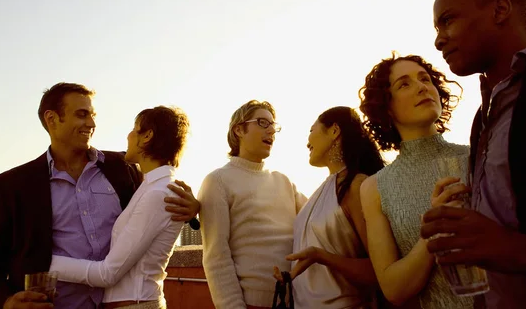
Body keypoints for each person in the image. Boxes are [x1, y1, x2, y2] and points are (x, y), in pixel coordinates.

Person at [0, 83, 200, 309]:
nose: (92, 123)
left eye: (93, 115)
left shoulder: (122, 168)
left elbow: (155, 207)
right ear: (51, 119)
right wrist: (6, 302)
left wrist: (194, 210)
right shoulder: (12, 185)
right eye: (82, 115)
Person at [421, 0, 526, 309]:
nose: (438, 40)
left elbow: (508, 246)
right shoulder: (482, 117)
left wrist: (516, 249)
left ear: (500, 10)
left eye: (447, 21)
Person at [358, 54, 473, 309]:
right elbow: (393, 288)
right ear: (385, 106)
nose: (422, 86)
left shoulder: (476, 155)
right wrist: (432, 235)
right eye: (404, 84)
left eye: (425, 79)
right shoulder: (375, 187)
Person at [49, 105, 189, 309]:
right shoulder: (151, 186)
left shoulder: (158, 194)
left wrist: (45, 261)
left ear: (147, 136)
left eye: (135, 129)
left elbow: (108, 273)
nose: (129, 136)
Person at [198, 100, 308, 309]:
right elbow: (216, 257)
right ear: (239, 129)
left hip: (297, 300)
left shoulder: (284, 181)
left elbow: (319, 220)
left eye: (273, 126)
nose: (271, 131)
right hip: (250, 303)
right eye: (262, 123)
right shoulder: (217, 180)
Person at [274, 106, 384, 308]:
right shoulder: (322, 191)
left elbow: (381, 271)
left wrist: (321, 256)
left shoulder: (357, 185)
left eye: (311, 130)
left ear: (334, 131)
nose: (307, 142)